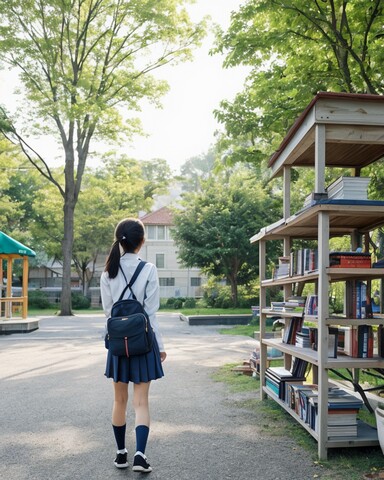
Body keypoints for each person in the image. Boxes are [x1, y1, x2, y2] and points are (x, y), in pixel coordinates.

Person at [100, 218, 167, 473]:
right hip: (143, 344)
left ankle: (120, 455)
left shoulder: (108, 271)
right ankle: (140, 455)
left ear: (120, 240)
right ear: (141, 241)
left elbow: (108, 314)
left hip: (118, 345)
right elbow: (151, 314)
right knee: (141, 402)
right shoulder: (149, 269)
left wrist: (111, 343)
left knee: (119, 401)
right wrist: (159, 346)